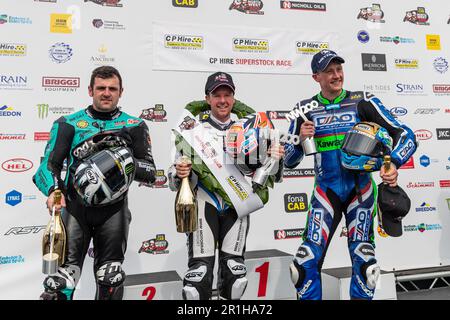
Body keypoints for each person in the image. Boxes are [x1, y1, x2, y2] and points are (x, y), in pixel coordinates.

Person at [284, 50, 417, 300]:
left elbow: (406, 134)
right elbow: (289, 161)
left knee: (366, 265)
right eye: (329, 71)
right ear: (316, 77)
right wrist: (301, 141)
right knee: (303, 266)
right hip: (326, 192)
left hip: (361, 192)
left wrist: (393, 161)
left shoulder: (362, 101)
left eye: (339, 69)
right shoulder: (304, 110)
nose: (336, 75)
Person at [33, 66, 156, 300]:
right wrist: (53, 192)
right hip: (73, 210)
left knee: (110, 279)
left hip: (114, 212)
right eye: (101, 88)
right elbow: (47, 166)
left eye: (112, 88)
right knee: (59, 284)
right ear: (90, 90)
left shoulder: (134, 125)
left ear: (121, 92)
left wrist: (124, 159)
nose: (106, 93)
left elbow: (150, 171)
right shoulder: (68, 123)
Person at [169, 71, 284, 300]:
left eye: (227, 94)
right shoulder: (192, 130)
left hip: (237, 204)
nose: (223, 100)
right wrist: (179, 172)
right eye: (217, 95)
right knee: (198, 276)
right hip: (203, 202)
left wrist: (275, 158)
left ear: (234, 97)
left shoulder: (252, 127)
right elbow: (174, 176)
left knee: (235, 273)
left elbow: (272, 175)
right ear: (207, 98)